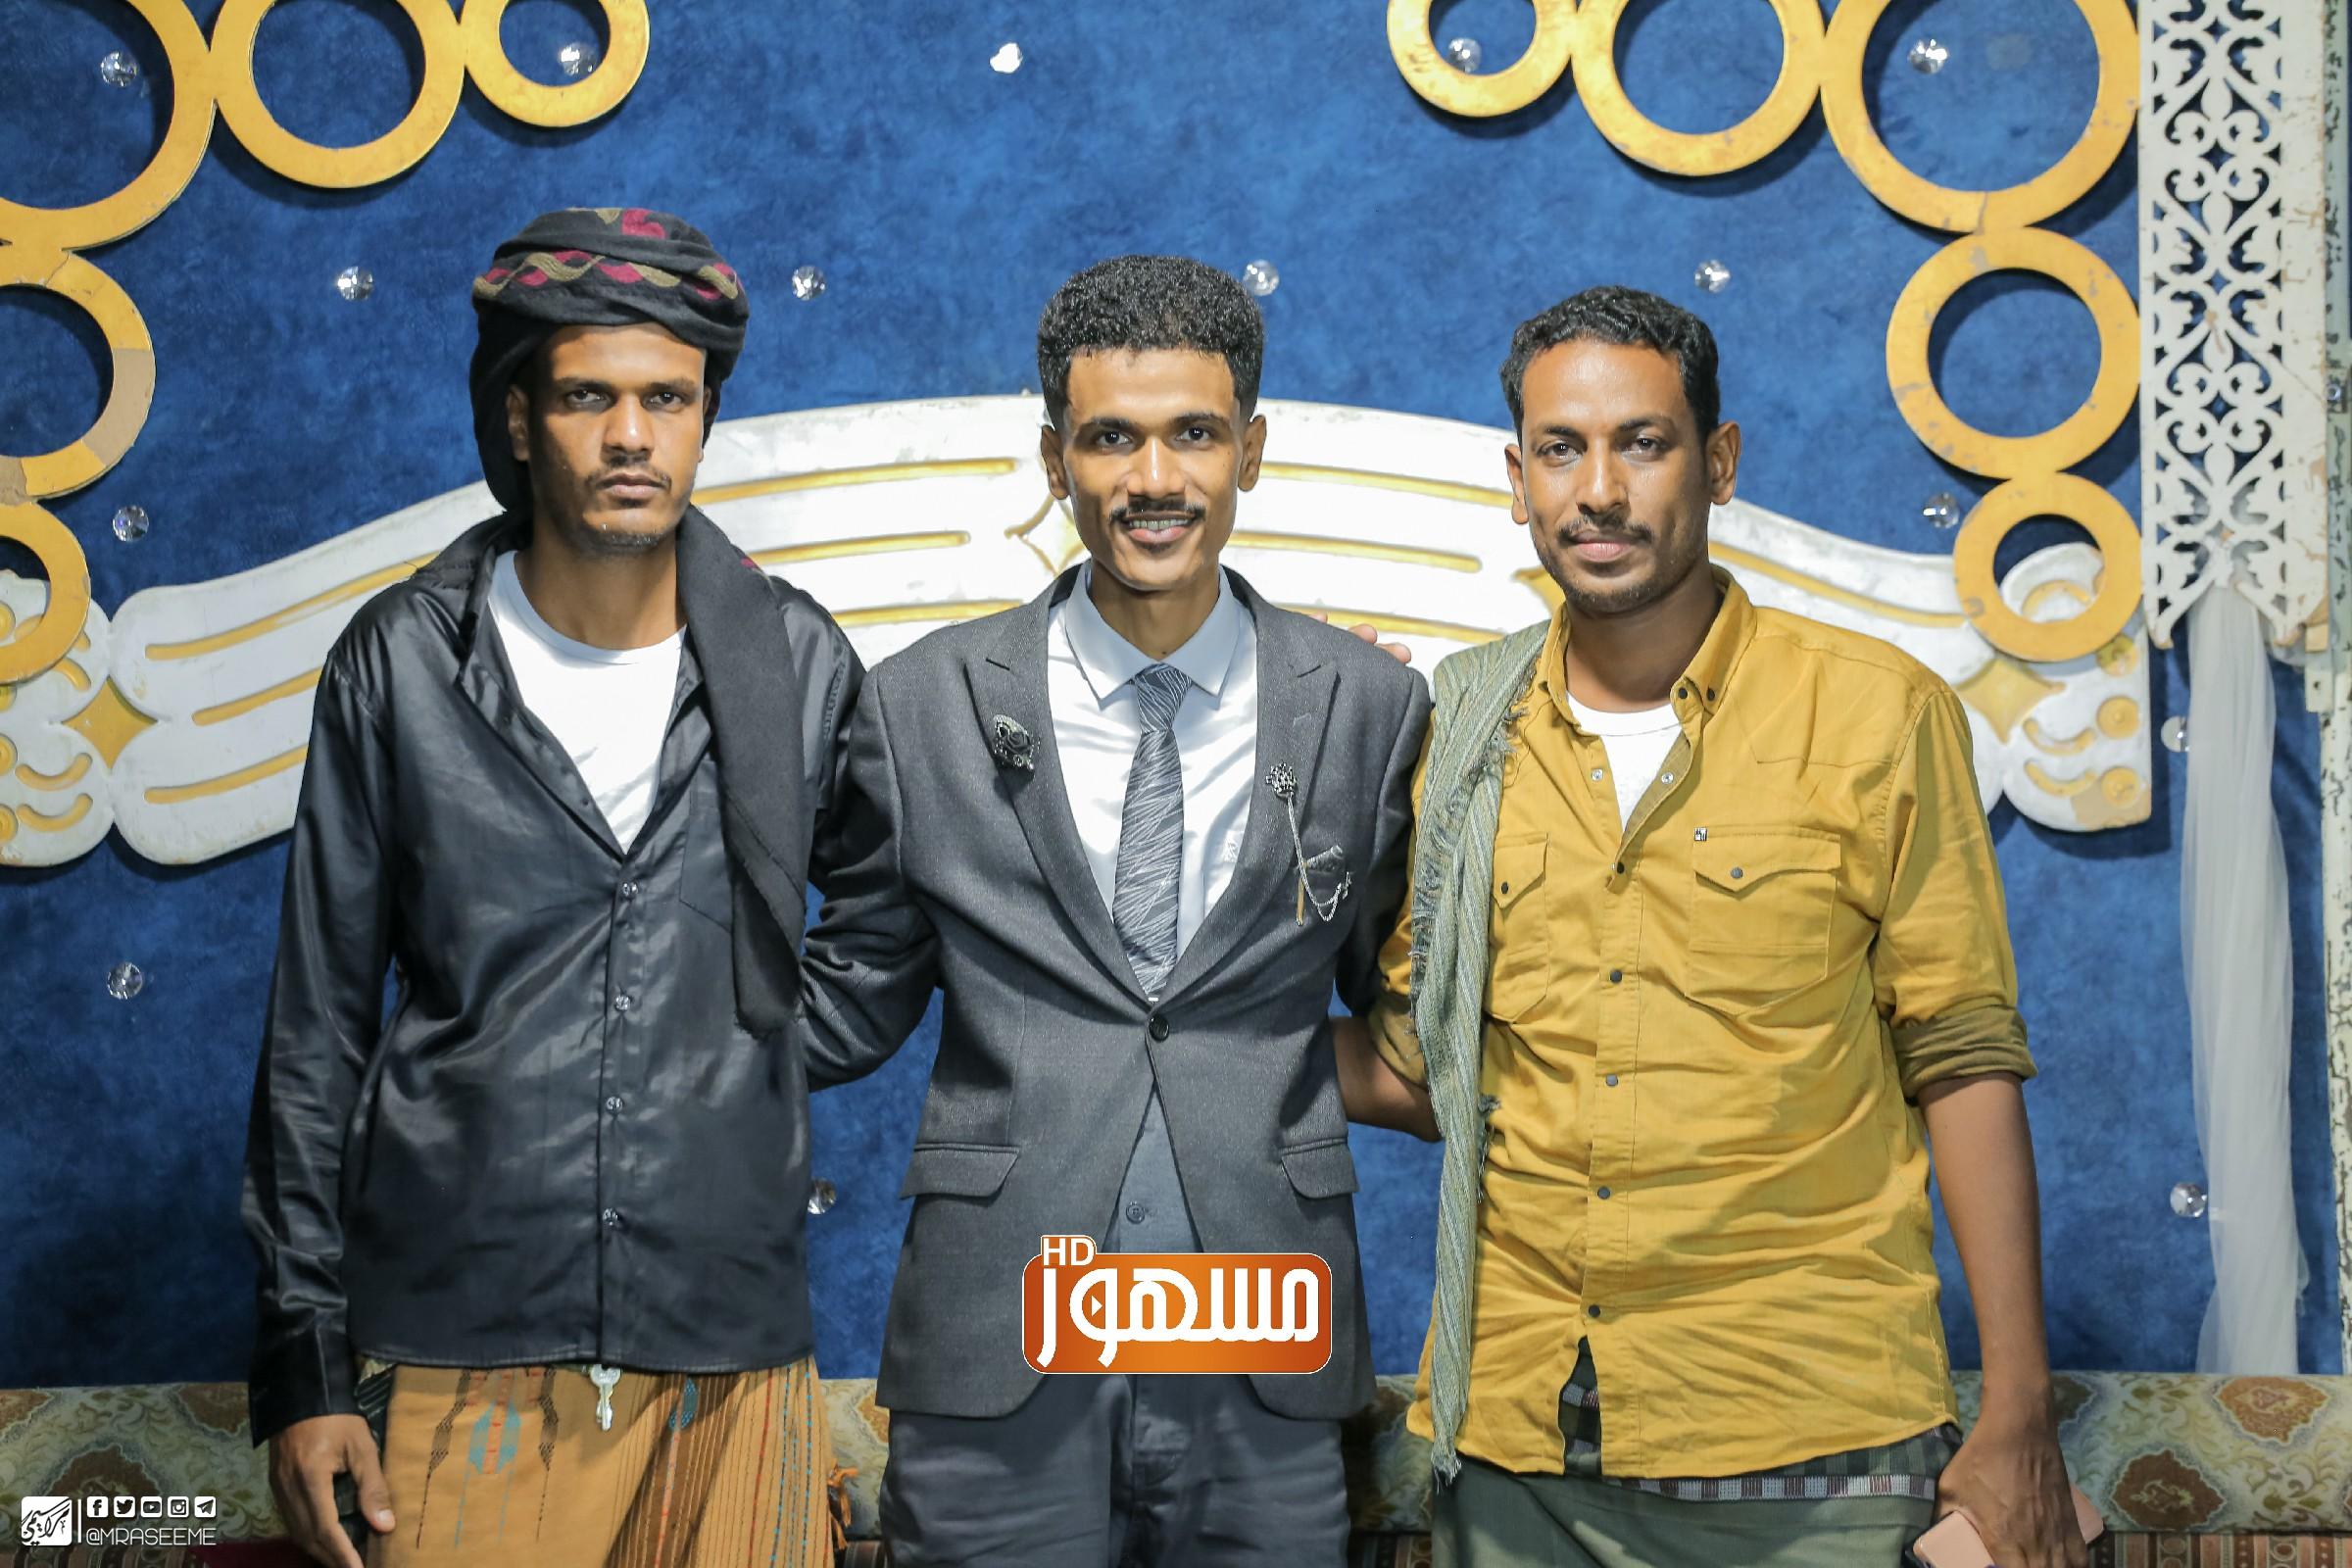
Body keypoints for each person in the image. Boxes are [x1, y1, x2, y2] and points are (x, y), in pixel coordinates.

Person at [1349, 284, 2085, 1568]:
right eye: (1562, 450)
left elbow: (1963, 1058)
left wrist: (2018, 1409)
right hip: (1520, 1455)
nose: (1599, 492)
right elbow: (1423, 1069)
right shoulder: (1457, 731)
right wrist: (1150, 1039)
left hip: (1814, 1450)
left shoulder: (1878, 715)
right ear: (1518, 480)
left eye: (1643, 443)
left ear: (1719, 461)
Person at [242, 207, 857, 1568]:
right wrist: (305, 1366)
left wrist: (750, 1044)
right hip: (461, 1328)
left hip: (731, 1333)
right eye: (588, 397)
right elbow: (314, 1036)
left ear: (704, 418)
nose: (632, 436)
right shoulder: (403, 661)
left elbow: (888, 913)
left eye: (667, 399)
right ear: (520, 419)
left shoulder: (792, 658)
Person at [795, 254, 1432, 1566]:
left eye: (1194, 433)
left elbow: (1413, 1024)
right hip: (1000, 1340)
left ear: (1252, 450)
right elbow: (846, 1001)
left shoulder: (1370, 705)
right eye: (1110, 439)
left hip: (1264, 1344)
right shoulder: (917, 703)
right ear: (1054, 458)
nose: (1154, 479)